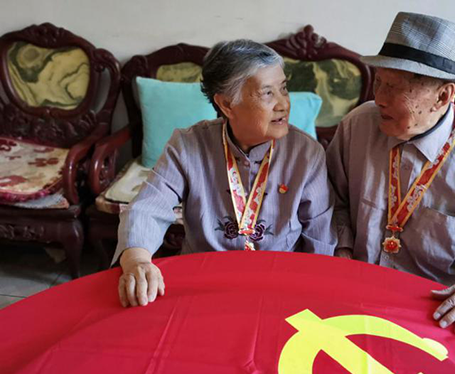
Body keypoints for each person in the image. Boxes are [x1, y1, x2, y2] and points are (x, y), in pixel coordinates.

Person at [327, 12, 455, 335]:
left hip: (434, 312)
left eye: (393, 87)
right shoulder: (358, 126)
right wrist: (341, 251)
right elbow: (333, 200)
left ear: (443, 96)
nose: (378, 98)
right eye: (378, 81)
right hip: (355, 292)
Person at [115, 40, 336, 308]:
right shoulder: (188, 146)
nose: (283, 104)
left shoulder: (306, 154)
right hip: (202, 285)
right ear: (227, 104)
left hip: (280, 287)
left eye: (283, 89)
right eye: (267, 93)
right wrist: (137, 260)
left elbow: (320, 239)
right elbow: (148, 208)